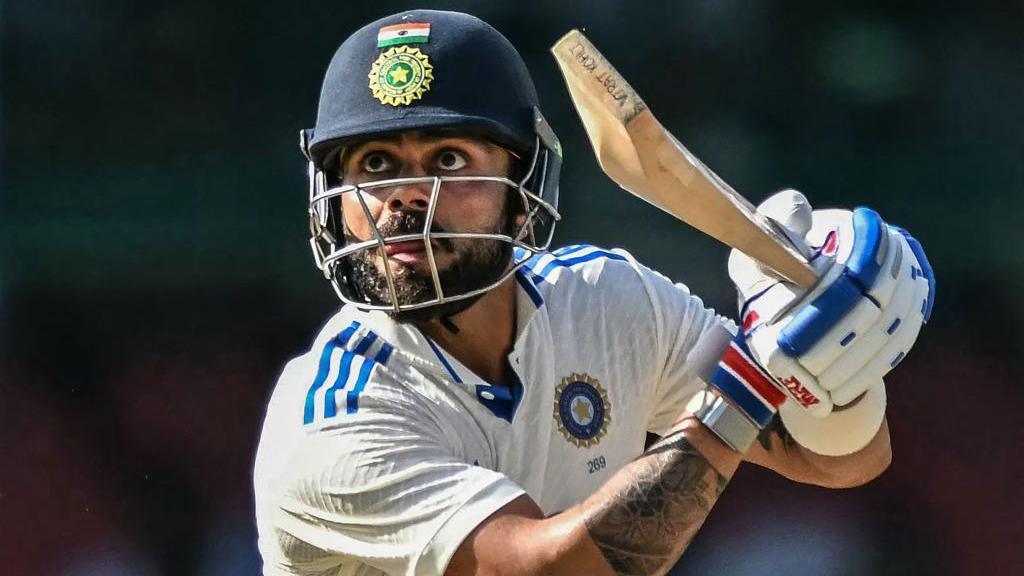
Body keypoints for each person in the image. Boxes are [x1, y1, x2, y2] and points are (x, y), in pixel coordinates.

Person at [254, 9, 935, 576]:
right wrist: (753, 382)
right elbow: (552, 571)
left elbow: (836, 460)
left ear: (522, 196)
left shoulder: (606, 301)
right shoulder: (328, 415)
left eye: (449, 159)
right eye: (375, 164)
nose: (404, 195)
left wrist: (835, 361)